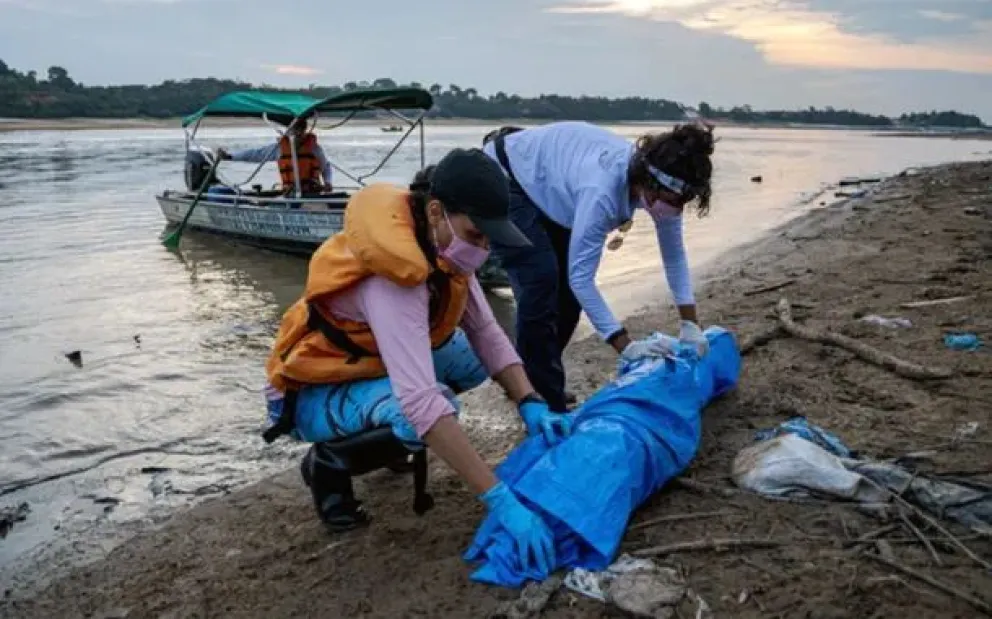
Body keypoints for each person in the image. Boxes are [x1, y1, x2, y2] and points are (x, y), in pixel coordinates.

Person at [262, 148, 572, 574]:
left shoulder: (443, 248)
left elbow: (486, 332)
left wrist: (531, 401)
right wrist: (500, 499)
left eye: (489, 238)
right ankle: (328, 464)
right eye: (476, 234)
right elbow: (423, 403)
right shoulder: (394, 279)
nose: (483, 248)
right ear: (436, 212)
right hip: (311, 393)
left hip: (367, 363)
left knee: (474, 362)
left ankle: (386, 437)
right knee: (427, 411)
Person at [481, 121, 715, 413]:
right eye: (673, 202)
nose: (676, 209)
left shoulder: (665, 189)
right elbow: (582, 278)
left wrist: (690, 324)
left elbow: (675, 257)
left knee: (568, 302)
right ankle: (543, 399)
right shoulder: (601, 191)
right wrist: (626, 346)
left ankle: (532, 381)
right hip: (505, 175)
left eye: (683, 203)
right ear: (650, 183)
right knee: (540, 282)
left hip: (555, 188)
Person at [217, 118, 332, 195]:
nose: (297, 134)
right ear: (288, 131)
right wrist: (230, 156)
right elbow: (255, 154)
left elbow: (326, 166)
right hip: (289, 194)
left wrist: (328, 182)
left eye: (300, 130)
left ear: (304, 131)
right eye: (294, 130)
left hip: (312, 194)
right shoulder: (279, 148)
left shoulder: (314, 149)